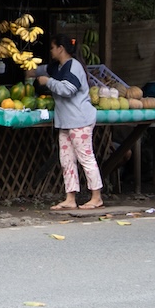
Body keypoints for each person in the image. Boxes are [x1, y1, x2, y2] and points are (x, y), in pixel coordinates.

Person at [36, 33, 104, 211]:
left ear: (60, 48)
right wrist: (32, 70)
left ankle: (96, 197)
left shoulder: (73, 67)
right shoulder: (59, 66)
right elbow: (43, 70)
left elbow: (69, 89)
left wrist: (48, 82)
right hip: (66, 122)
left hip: (80, 120)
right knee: (66, 160)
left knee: (85, 158)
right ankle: (70, 198)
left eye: (52, 47)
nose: (50, 51)